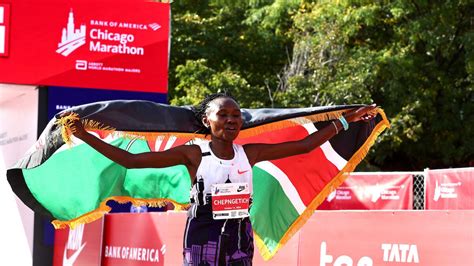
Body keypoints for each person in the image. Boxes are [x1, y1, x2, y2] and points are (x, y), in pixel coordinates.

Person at [68, 92, 376, 265]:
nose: (231, 120)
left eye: (236, 116)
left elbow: (305, 145)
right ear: (207, 120)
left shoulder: (249, 152)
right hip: (204, 234)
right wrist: (83, 135)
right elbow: (130, 160)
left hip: (239, 233)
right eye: (224, 115)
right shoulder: (193, 154)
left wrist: (345, 121)